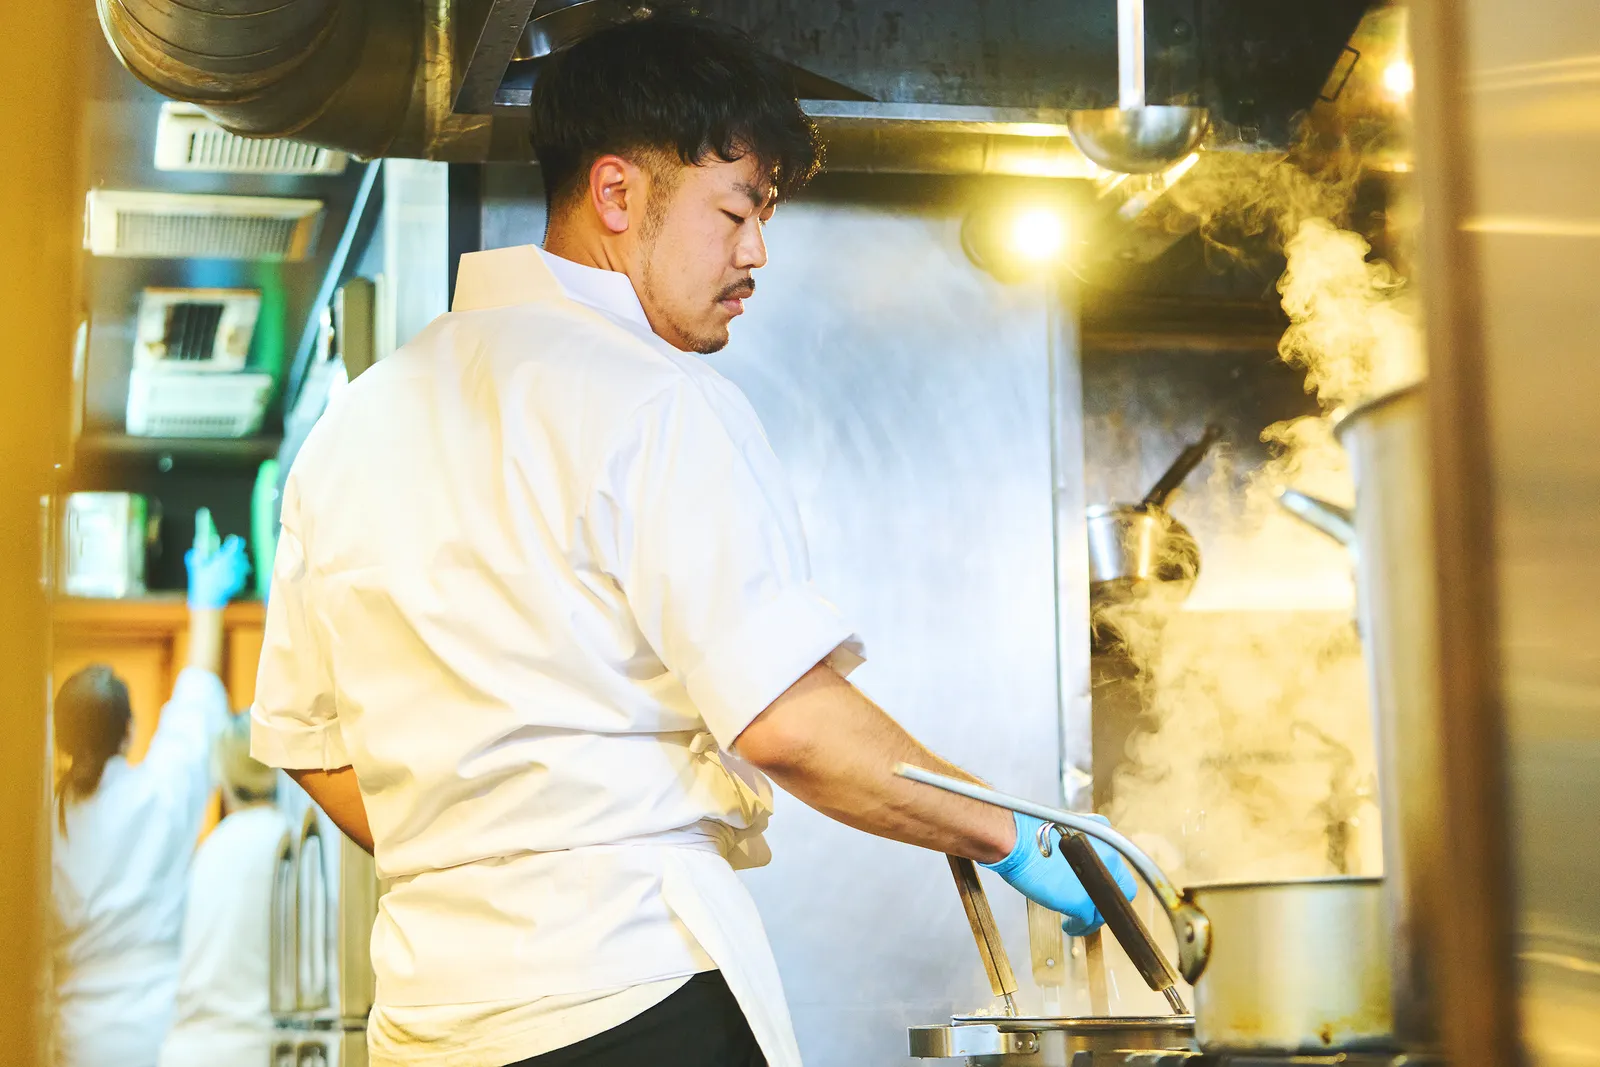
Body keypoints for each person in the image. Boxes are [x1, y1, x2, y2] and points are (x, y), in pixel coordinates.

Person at [249, 12, 1134, 1067]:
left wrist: (477, 855)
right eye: (736, 210)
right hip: (631, 994)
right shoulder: (651, 398)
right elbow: (788, 724)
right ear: (617, 193)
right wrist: (1020, 834)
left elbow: (310, 746)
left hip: (424, 1024)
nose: (755, 252)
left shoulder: (350, 426)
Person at [50, 534, 251, 1067]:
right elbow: (197, 699)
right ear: (128, 731)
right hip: (162, 1030)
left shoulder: (38, 824)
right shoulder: (160, 793)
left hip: (73, 1038)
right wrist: (206, 602)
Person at [158, 714, 290, 1067]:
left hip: (186, 1050)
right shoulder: (289, 845)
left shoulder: (209, 849)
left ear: (224, 779)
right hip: (254, 1050)